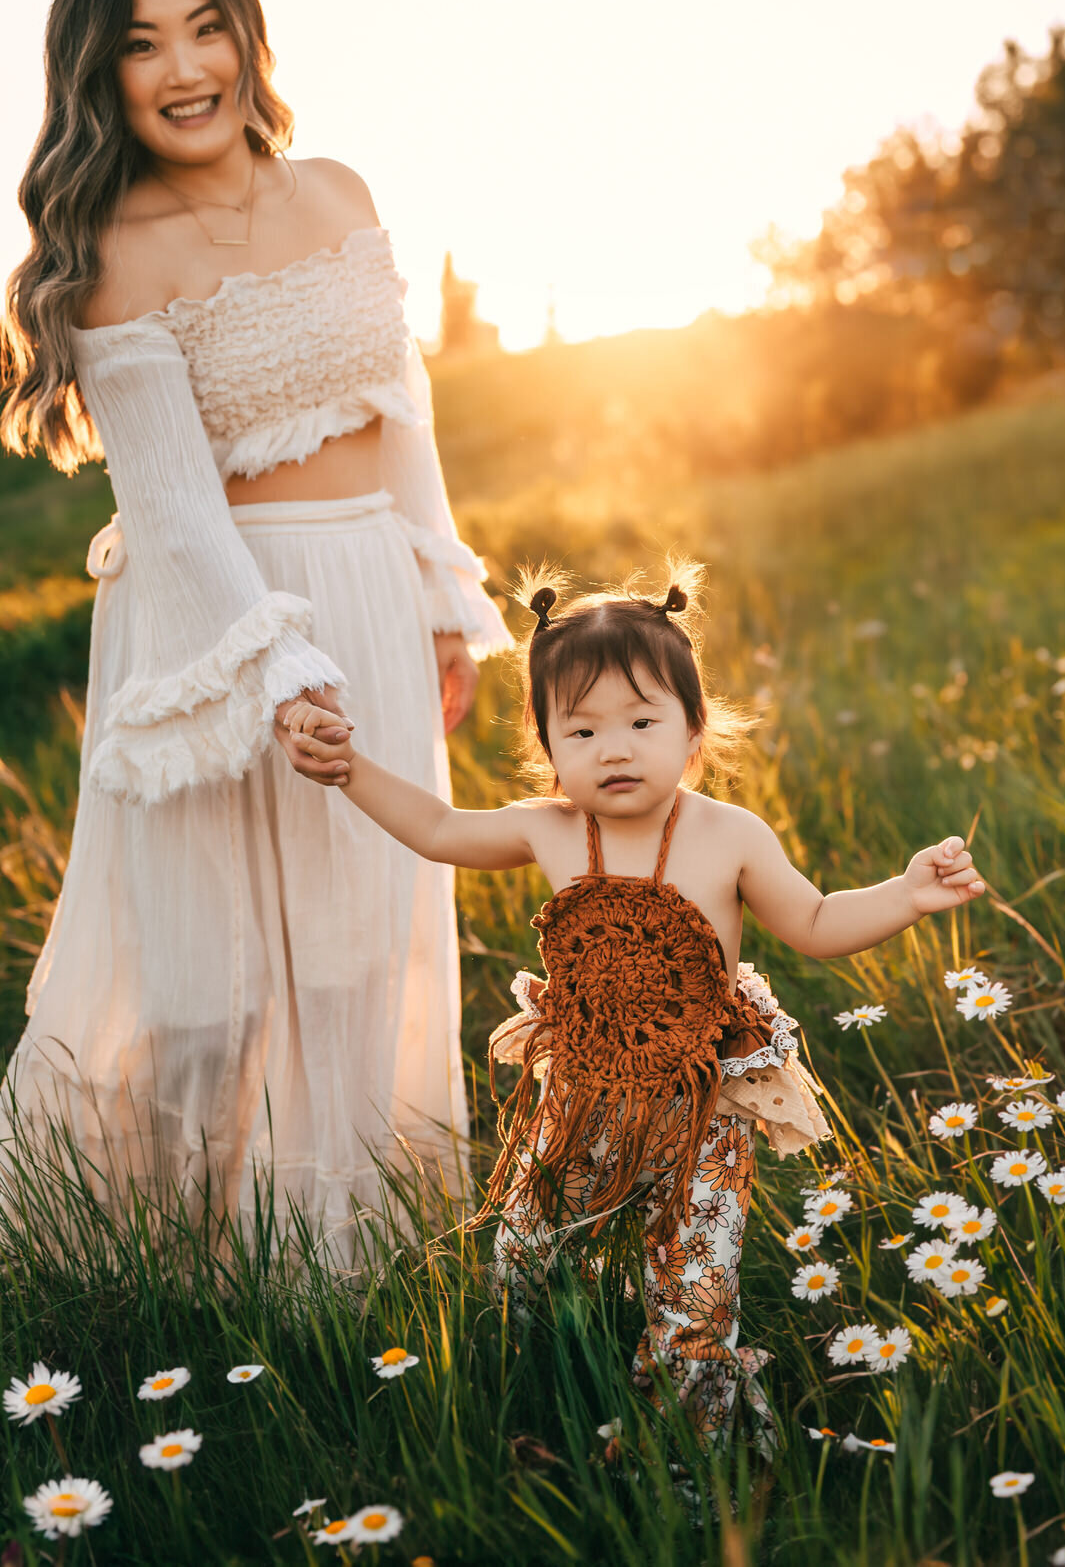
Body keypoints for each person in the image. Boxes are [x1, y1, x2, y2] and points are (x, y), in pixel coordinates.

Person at [0, 0, 511, 1267]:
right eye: (141, 45)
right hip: (211, 634)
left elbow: (405, 410)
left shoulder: (336, 193)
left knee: (362, 948)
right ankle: (156, 1274)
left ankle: (349, 1271)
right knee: (202, 987)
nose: (184, 69)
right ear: (98, 77)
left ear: (246, 33)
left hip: (369, 598)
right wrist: (278, 671)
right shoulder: (113, 245)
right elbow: (170, 510)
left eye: (205, 27)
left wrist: (444, 597)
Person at [279, 559, 987, 1443]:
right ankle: (526, 1395)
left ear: (693, 732)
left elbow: (812, 919)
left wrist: (906, 893)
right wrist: (351, 770)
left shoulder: (730, 836)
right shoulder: (548, 826)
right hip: (580, 1097)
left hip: (700, 1109)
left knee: (695, 1291)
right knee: (527, 1256)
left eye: (643, 722)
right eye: (580, 731)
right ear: (547, 746)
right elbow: (437, 829)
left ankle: (690, 1451)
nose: (614, 749)